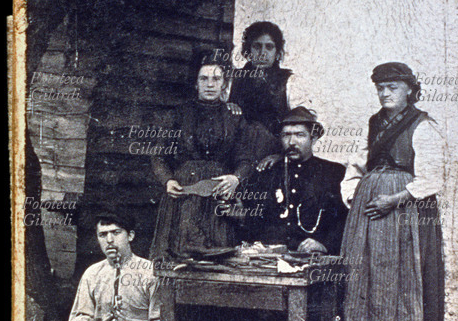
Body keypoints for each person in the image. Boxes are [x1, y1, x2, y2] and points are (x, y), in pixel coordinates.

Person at [340, 62, 445, 321]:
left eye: (393, 87)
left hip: (406, 212)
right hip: (371, 211)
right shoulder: (373, 124)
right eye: (380, 87)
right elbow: (357, 164)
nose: (385, 93)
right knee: (365, 275)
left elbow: (432, 177)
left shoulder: (423, 125)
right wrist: (354, 195)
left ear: (410, 90)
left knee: (401, 276)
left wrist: (396, 199)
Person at [149, 49, 270, 259]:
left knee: (216, 257)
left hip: (218, 194)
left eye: (216, 78)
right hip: (183, 196)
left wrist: (236, 178)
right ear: (195, 83)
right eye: (203, 78)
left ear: (224, 83)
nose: (210, 84)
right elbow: (158, 155)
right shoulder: (178, 114)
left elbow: (246, 158)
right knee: (179, 256)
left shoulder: (233, 116)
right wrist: (167, 181)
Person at [239, 107, 347, 254]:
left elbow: (343, 220)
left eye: (300, 135)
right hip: (270, 259)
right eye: (286, 135)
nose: (291, 142)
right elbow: (255, 221)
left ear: (313, 138)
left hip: (314, 257)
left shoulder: (333, 173)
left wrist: (324, 244)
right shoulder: (267, 173)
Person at [229, 21, 316, 156]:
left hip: (273, 156)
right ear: (248, 50)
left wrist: (283, 154)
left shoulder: (289, 82)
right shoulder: (233, 79)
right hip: (236, 155)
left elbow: (305, 122)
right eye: (257, 46)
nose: (263, 53)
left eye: (269, 47)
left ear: (277, 52)